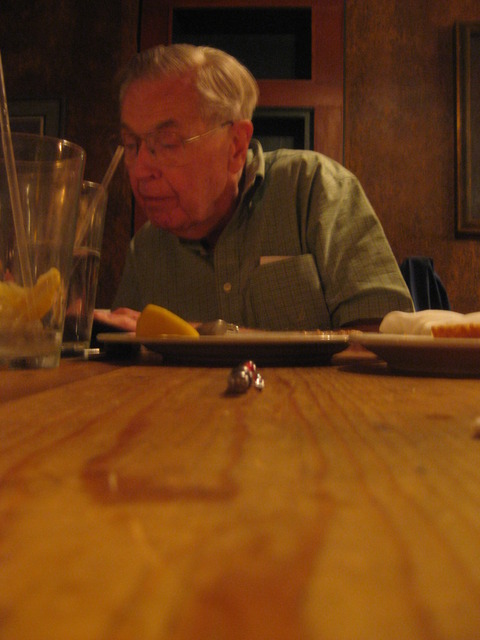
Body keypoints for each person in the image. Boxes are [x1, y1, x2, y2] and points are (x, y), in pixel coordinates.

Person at [103, 43, 413, 332]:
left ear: (236, 146)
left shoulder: (312, 189)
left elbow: (382, 339)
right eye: (131, 145)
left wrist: (205, 338)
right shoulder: (146, 249)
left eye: (167, 143)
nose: (140, 171)